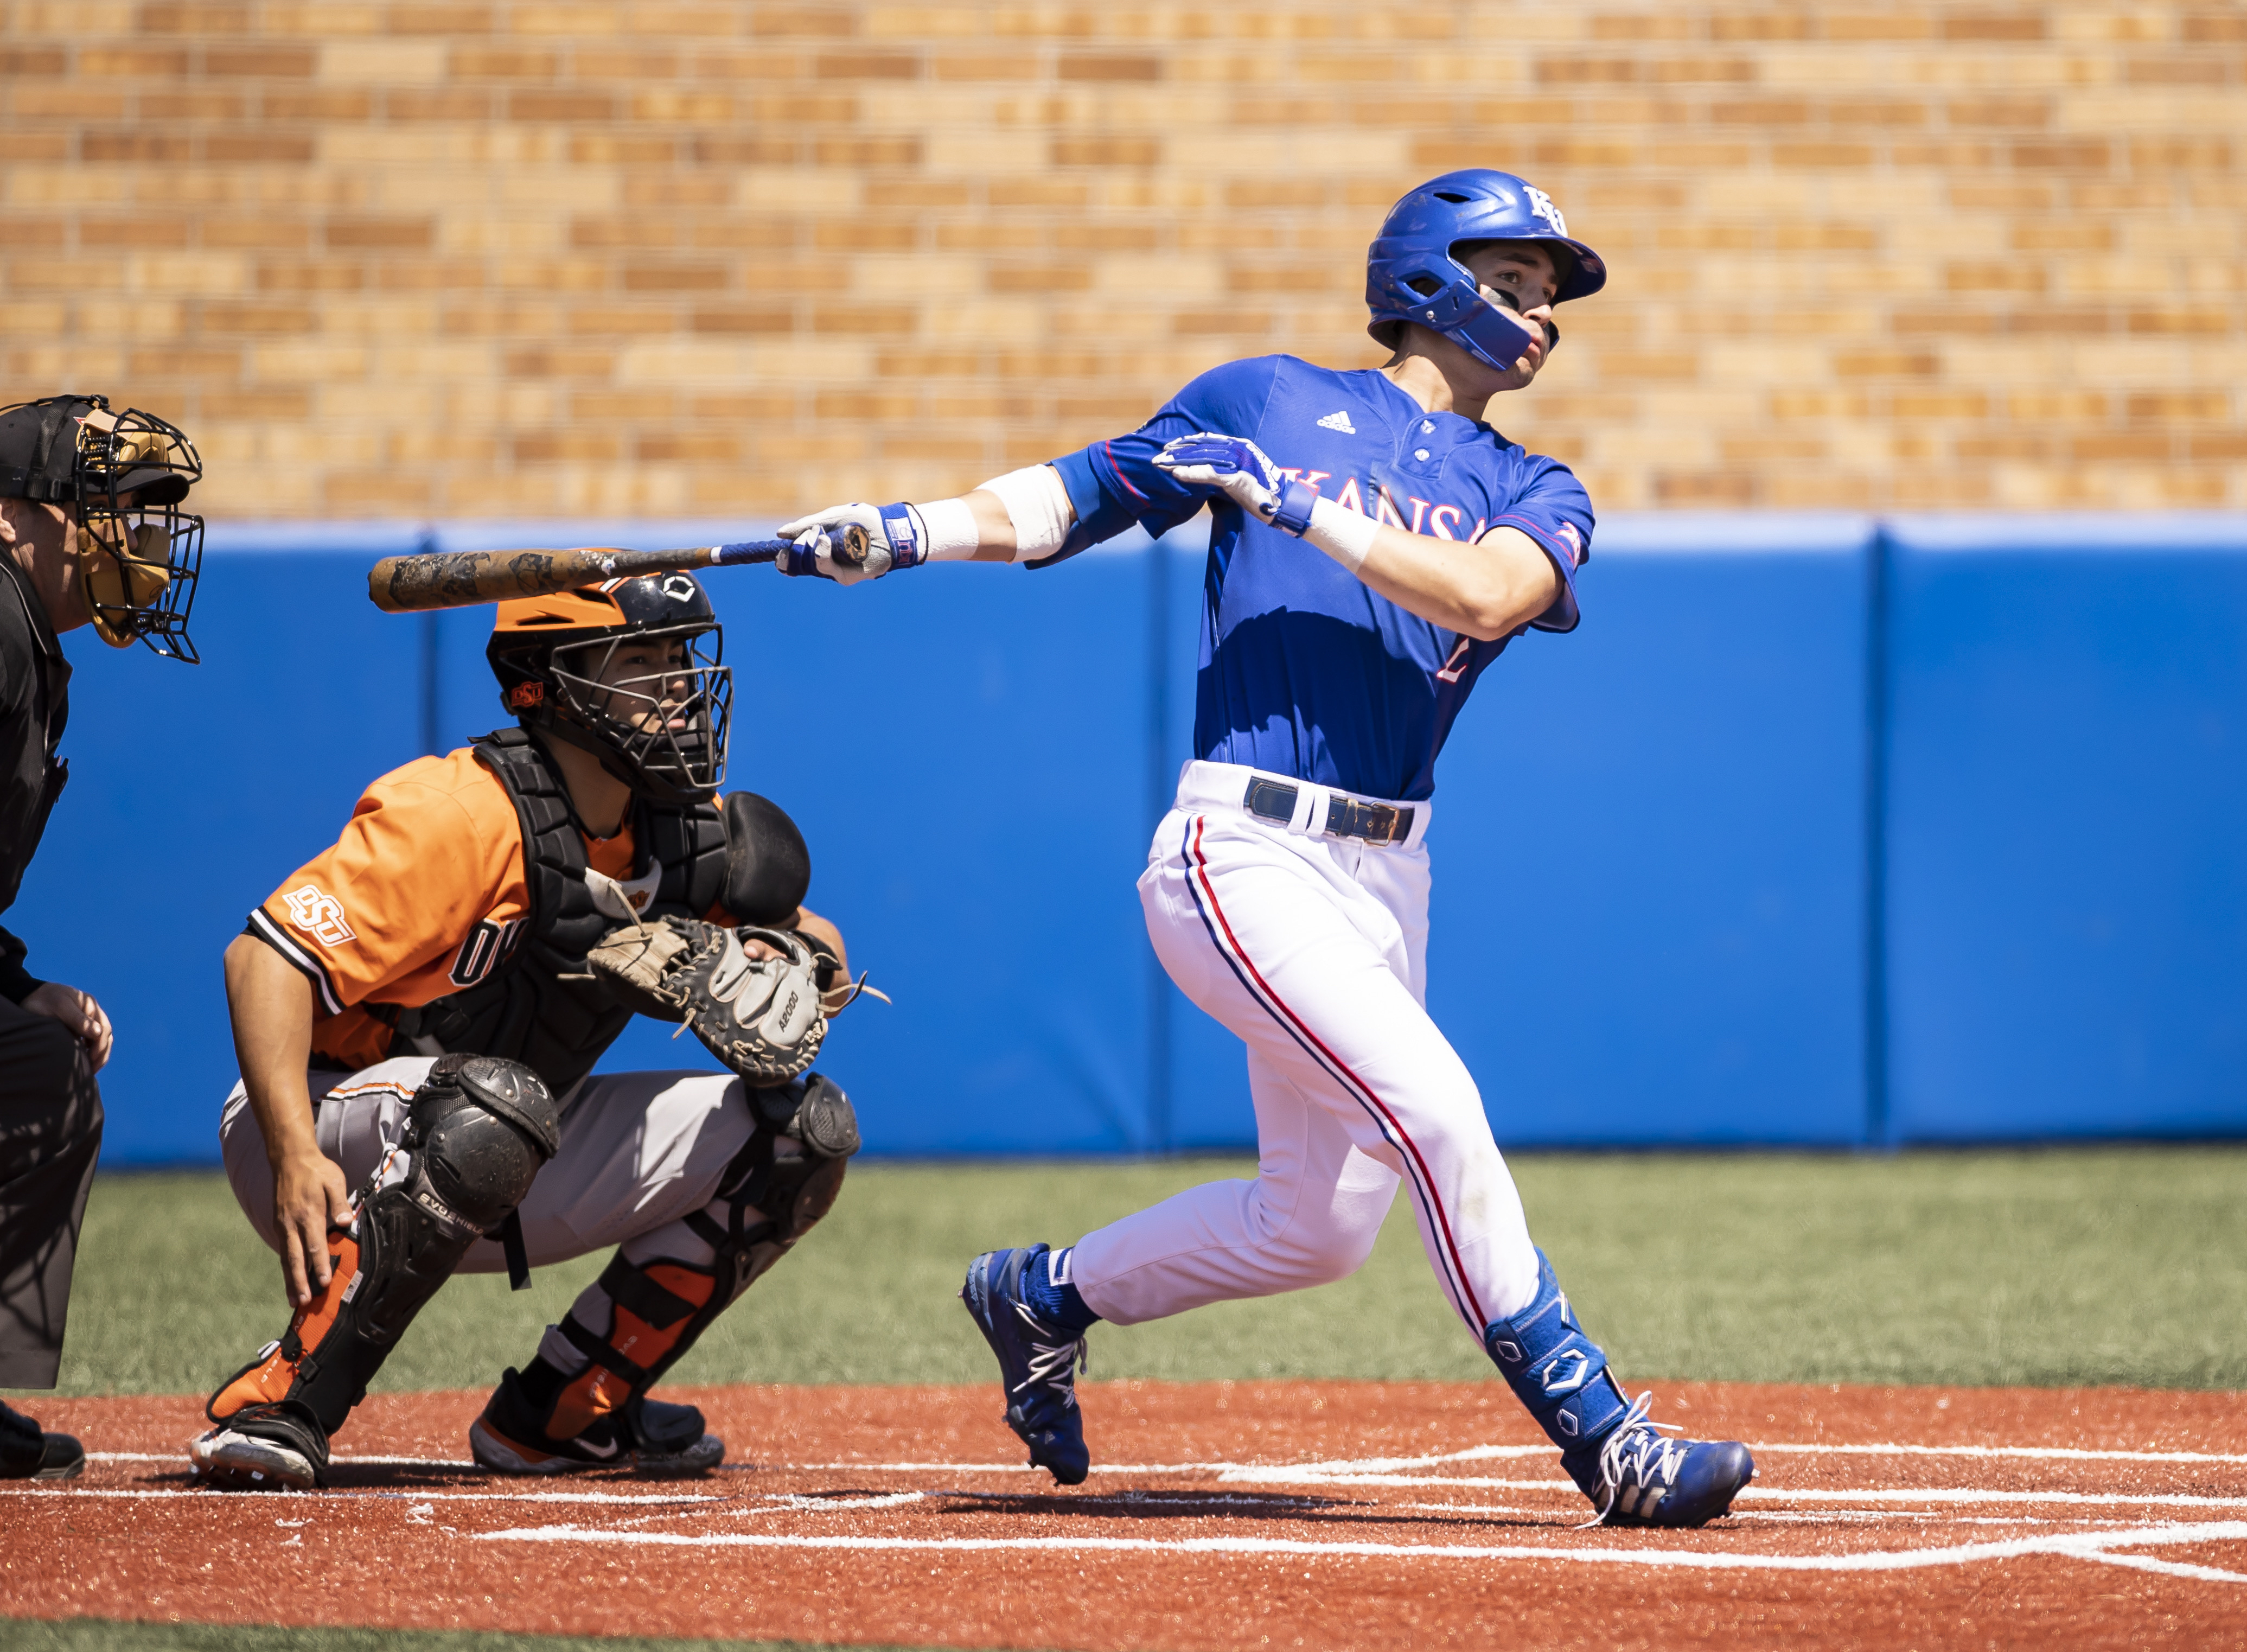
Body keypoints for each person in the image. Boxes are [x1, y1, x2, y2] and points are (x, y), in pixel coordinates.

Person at [771, 170, 1755, 1528]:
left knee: (1318, 1226)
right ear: (1428, 275)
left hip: (1388, 872)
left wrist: (1299, 509)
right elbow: (1074, 497)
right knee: (1437, 1107)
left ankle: (1043, 1293)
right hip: (1244, 850)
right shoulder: (1265, 398)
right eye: (1513, 278)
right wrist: (905, 531)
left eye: (1549, 293)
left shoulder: (1539, 485)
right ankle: (1607, 1439)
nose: (1539, 311)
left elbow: (1484, 590)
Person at [186, 572, 863, 1491]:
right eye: (645, 659)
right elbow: (262, 959)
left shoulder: (677, 830)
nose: (678, 683)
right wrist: (295, 1152)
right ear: (551, 683)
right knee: (494, 1106)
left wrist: (797, 967)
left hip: (506, 1137)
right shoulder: (460, 813)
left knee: (801, 1133)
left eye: (681, 656)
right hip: (319, 1127)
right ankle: (285, 1401)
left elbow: (816, 935)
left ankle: (561, 1415)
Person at [0, 396, 205, 1484]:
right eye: (111, 506)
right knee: (35, 1076)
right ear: (9, 518)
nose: (142, 536)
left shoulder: (24, 638)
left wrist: (14, 984)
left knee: (39, 1065)